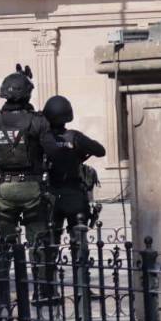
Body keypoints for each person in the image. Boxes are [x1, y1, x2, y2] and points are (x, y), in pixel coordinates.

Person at [0, 69, 59, 246]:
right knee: (37, 238)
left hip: (5, 188)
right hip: (33, 188)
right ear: (28, 95)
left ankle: (4, 270)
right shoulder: (38, 121)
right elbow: (54, 153)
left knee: (6, 240)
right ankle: (40, 270)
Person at [42, 96, 106, 238]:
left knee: (51, 240)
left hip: (51, 194)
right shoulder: (74, 136)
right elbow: (100, 151)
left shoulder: (43, 139)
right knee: (78, 239)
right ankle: (80, 258)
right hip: (74, 193)